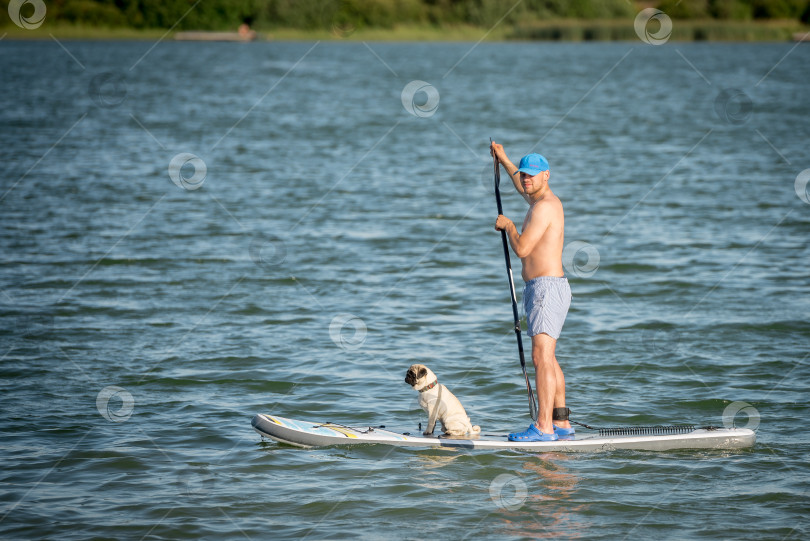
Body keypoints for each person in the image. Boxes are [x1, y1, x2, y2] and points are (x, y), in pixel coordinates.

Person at [490, 141, 573, 442]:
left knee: (541, 357)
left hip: (546, 289)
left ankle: (543, 427)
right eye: (524, 174)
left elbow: (523, 247)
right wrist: (505, 159)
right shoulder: (540, 202)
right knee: (548, 358)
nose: (526, 179)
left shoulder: (545, 208)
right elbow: (517, 183)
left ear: (546, 175)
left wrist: (509, 225)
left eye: (532, 175)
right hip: (544, 288)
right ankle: (561, 423)